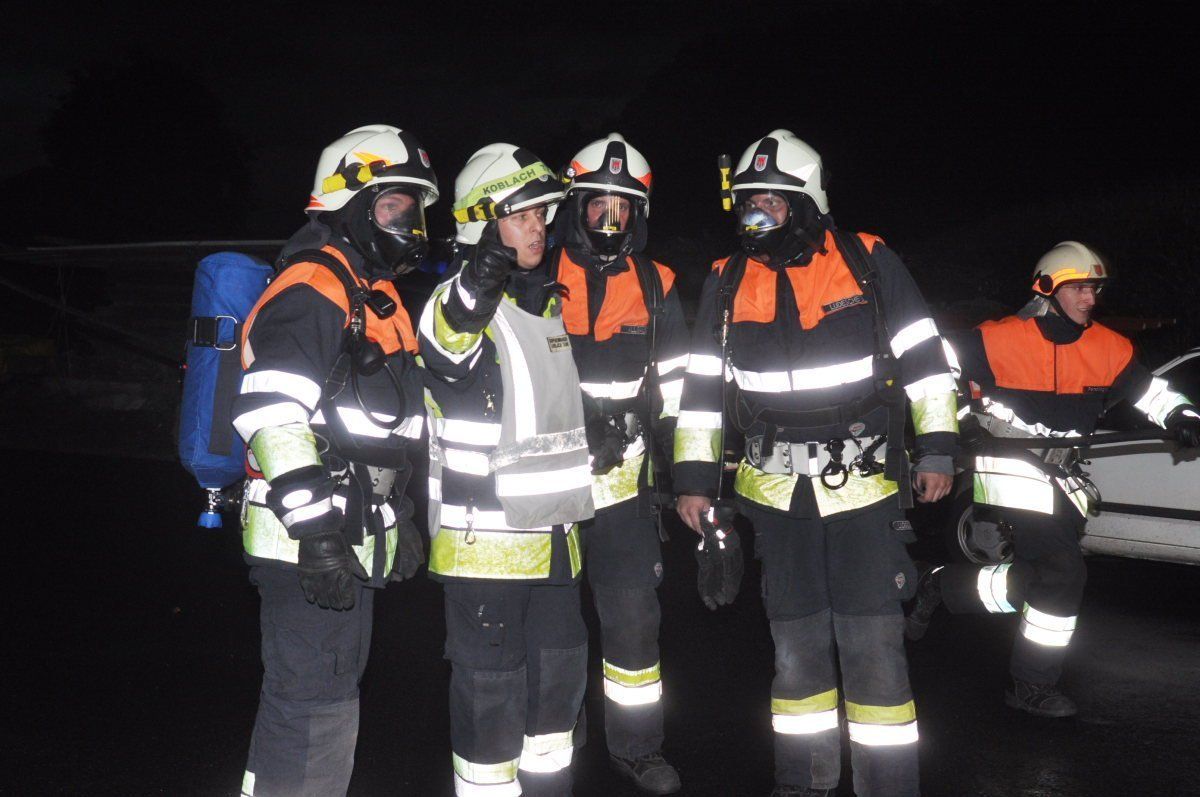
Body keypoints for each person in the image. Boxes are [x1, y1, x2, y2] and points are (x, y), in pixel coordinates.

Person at [674, 129, 958, 797]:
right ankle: (803, 780)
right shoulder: (726, 278)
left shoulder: (867, 260)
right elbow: (701, 388)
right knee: (795, 650)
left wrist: (939, 447)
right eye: (749, 202)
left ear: (808, 203)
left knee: (873, 647)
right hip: (776, 498)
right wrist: (692, 482)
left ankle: (888, 785)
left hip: (864, 488)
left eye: (772, 202)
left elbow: (926, 360)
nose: (757, 215)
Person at [905, 240, 1200, 717]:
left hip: (1064, 475)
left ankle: (942, 585)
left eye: (1094, 289)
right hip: (1011, 468)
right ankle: (1031, 684)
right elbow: (927, 374)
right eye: (1078, 288)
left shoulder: (1109, 346)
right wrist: (950, 429)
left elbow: (1151, 393)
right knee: (1064, 572)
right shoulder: (995, 338)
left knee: (1044, 576)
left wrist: (1182, 415)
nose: (1090, 298)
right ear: (1046, 288)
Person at [231, 124, 435, 796]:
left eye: (415, 210)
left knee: (308, 702)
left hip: (346, 535)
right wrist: (316, 531)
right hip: (306, 542)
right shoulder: (315, 284)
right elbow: (271, 410)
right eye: (393, 206)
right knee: (314, 710)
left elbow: (378, 429)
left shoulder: (369, 292)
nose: (409, 224)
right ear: (350, 204)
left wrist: (398, 514)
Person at [417, 142, 595, 797]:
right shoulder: (452, 303)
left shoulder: (543, 306)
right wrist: (481, 274)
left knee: (556, 702)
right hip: (485, 547)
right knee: (491, 706)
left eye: (542, 215)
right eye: (520, 216)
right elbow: (449, 342)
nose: (537, 228)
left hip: (556, 545)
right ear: (483, 225)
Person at [549, 133, 690, 794]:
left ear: (639, 214)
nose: (610, 217)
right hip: (543, 488)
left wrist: (688, 482)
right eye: (598, 203)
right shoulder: (533, 274)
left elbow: (682, 392)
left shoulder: (658, 285)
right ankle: (555, 738)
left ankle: (638, 749)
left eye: (622, 206)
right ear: (575, 207)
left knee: (634, 622)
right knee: (552, 627)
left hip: (625, 491)